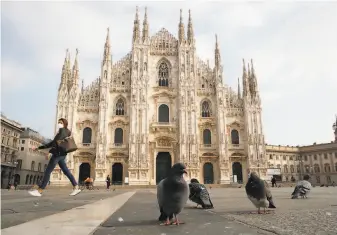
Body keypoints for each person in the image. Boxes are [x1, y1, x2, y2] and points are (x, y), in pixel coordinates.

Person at [28, 118, 81, 197]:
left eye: (60, 122)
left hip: (57, 154)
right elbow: (52, 143)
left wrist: (50, 152)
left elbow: (56, 143)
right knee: (66, 171)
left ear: (64, 123)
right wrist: (38, 148)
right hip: (62, 154)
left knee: (48, 171)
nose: (59, 124)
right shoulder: (65, 131)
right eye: (58, 122)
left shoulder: (62, 131)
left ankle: (40, 190)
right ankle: (76, 187)